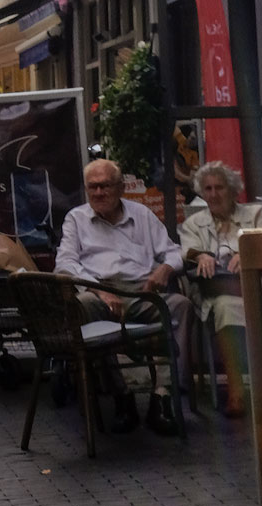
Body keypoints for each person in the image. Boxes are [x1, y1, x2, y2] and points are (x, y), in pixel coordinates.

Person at [55, 158, 188, 436]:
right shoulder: (77, 219)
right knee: (83, 308)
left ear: (121, 188)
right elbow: (65, 264)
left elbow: (174, 251)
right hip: (98, 291)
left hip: (141, 291)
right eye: (93, 187)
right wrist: (99, 290)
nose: (99, 193)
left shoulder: (141, 215)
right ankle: (121, 396)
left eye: (105, 186)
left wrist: (164, 268)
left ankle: (162, 397)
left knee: (181, 306)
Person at [178, 161, 262, 417]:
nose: (214, 194)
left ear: (233, 190)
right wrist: (202, 256)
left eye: (220, 188)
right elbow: (188, 250)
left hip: (256, 290)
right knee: (226, 307)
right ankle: (236, 389)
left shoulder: (258, 214)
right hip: (216, 292)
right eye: (208, 189)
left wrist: (245, 251)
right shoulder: (196, 223)